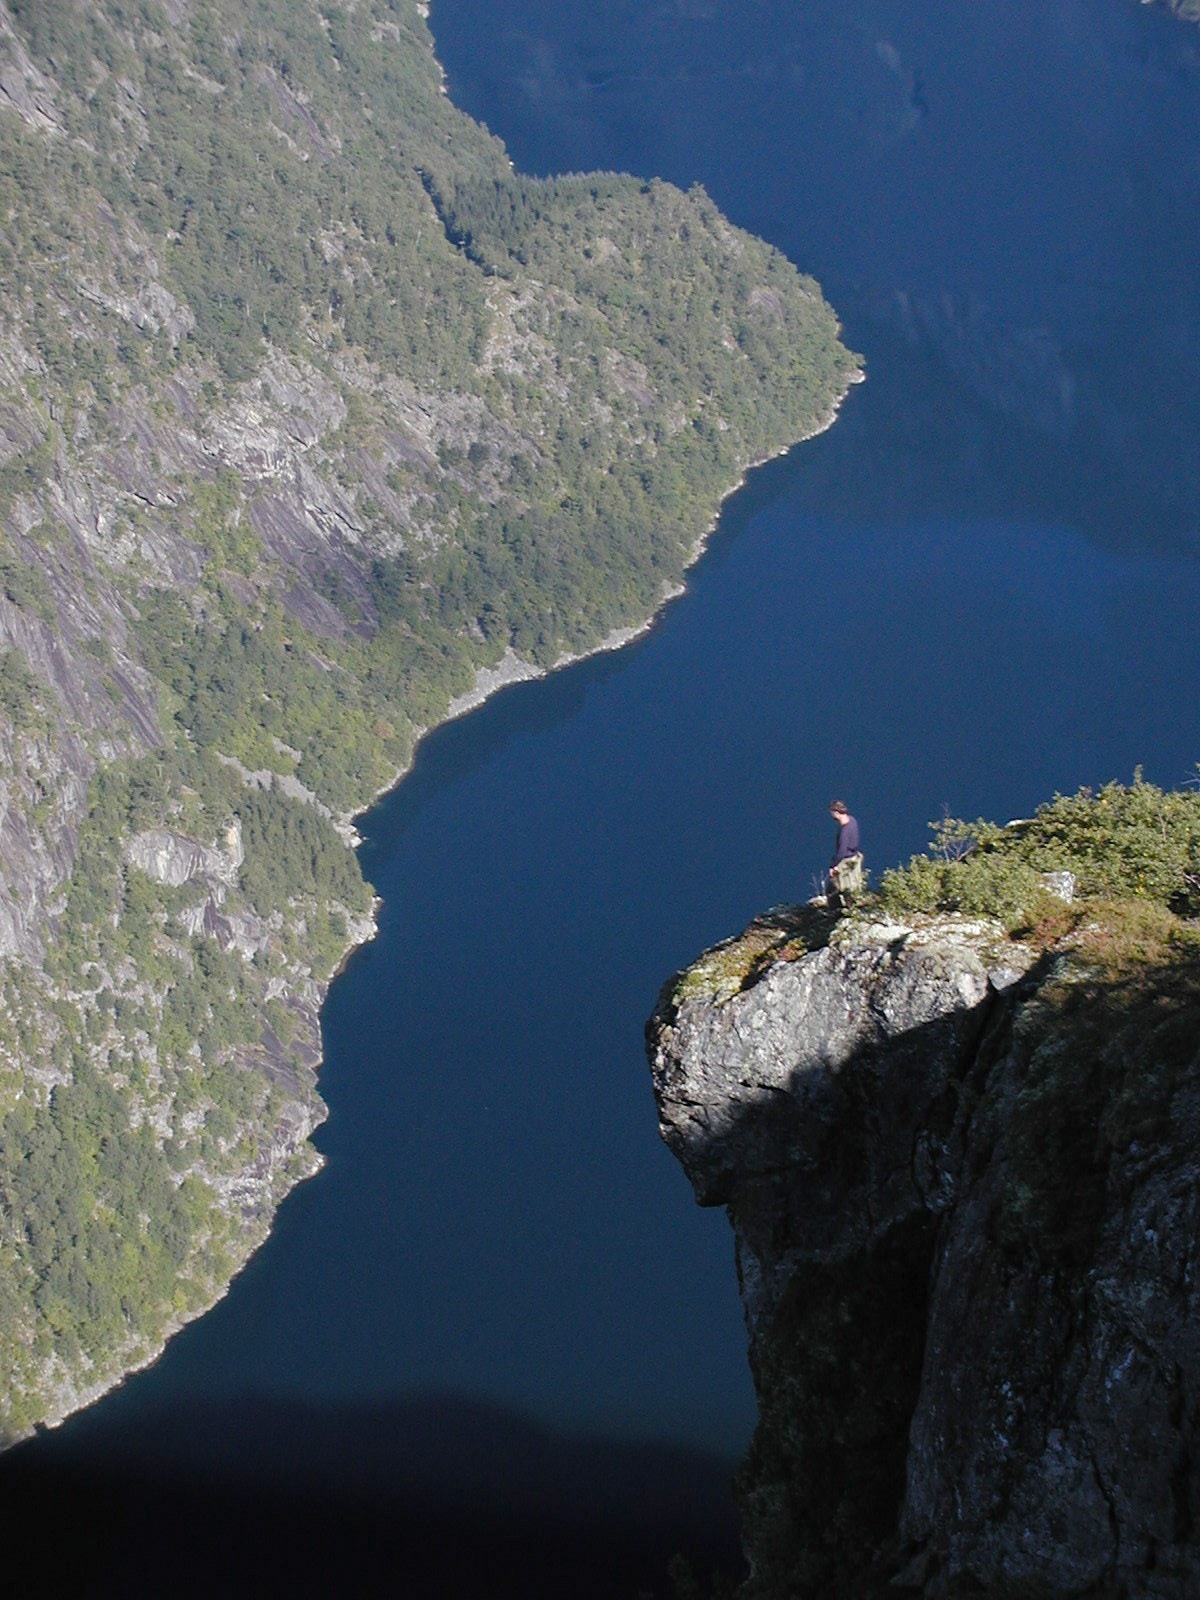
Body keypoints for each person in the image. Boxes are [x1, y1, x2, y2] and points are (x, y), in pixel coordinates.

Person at [826, 800, 864, 910]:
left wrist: (833, 866)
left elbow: (842, 852)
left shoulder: (844, 831)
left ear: (836, 813)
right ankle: (853, 909)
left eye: (832, 813)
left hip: (846, 860)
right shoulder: (852, 820)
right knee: (852, 885)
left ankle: (838, 912)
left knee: (833, 888)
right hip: (855, 857)